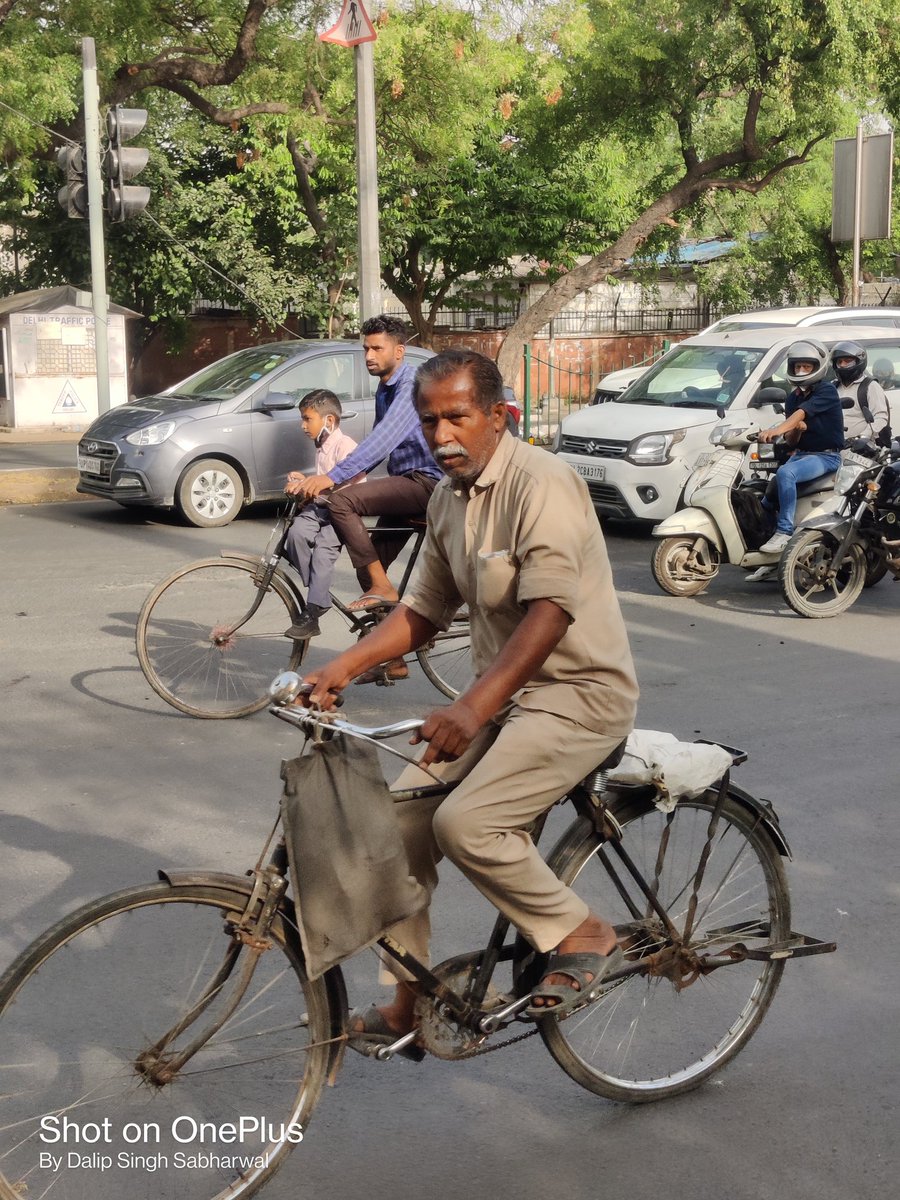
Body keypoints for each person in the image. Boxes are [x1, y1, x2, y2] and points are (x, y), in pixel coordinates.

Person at [303, 348, 639, 1055]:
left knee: (468, 824)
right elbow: (422, 610)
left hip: (578, 697)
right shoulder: (446, 498)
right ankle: (408, 1001)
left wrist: (471, 709)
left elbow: (550, 612)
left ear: (496, 415)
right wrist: (342, 667)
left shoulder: (543, 483)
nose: (442, 434)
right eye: (429, 421)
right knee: (396, 826)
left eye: (457, 417)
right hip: (505, 699)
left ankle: (584, 932)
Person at [291, 315, 443, 683]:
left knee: (344, 505)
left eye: (377, 348)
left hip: (427, 484)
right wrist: (332, 479)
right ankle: (393, 658)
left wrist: (332, 479)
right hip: (404, 483)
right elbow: (375, 450)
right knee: (367, 561)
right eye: (366, 348)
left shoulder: (410, 386)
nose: (369, 355)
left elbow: (381, 442)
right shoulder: (384, 388)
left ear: (399, 351)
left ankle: (383, 587)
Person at [282, 389, 364, 641]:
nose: (303, 425)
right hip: (319, 507)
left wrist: (313, 484)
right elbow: (320, 481)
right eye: (303, 419)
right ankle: (320, 593)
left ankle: (314, 610)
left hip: (342, 510)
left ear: (328, 420)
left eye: (308, 419)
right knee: (294, 535)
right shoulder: (322, 445)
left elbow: (350, 481)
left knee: (323, 552)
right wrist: (303, 481)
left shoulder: (344, 444)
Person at [757, 338, 844, 555]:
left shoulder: (826, 391)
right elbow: (792, 441)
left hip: (826, 457)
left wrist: (777, 430)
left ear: (817, 367)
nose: (802, 370)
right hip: (802, 455)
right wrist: (796, 430)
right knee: (768, 495)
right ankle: (766, 547)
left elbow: (801, 413)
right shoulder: (792, 398)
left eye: (807, 366)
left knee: (786, 473)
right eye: (798, 366)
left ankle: (784, 532)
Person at [831, 341, 891, 445]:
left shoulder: (870, 386)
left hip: (862, 449)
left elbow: (880, 418)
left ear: (859, 361)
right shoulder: (832, 387)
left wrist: (864, 436)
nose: (842, 365)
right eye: (839, 362)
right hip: (833, 447)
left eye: (847, 361)